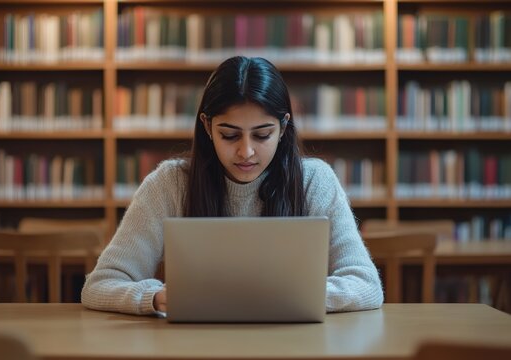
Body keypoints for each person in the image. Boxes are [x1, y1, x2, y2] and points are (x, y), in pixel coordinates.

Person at [81, 56, 383, 315]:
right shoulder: (169, 184)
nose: (246, 151)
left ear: (283, 128)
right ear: (207, 126)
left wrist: (278, 298)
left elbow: (366, 285)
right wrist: (156, 297)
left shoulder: (315, 181)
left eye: (262, 135)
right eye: (229, 135)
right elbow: (101, 284)